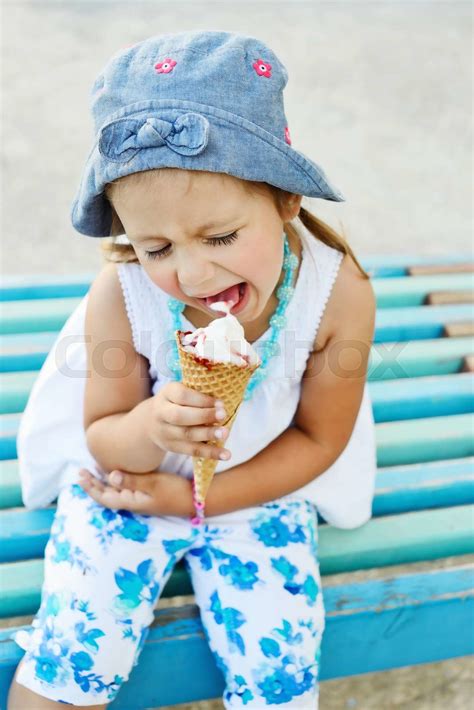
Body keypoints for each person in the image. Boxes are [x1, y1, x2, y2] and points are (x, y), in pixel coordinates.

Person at [8, 30, 377, 709]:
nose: (193, 273)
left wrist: (197, 502)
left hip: (263, 484)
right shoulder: (124, 296)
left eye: (222, 237)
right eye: (156, 247)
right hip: (128, 483)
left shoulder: (339, 293)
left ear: (286, 198)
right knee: (73, 649)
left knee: (280, 674)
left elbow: (321, 440)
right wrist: (153, 424)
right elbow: (103, 435)